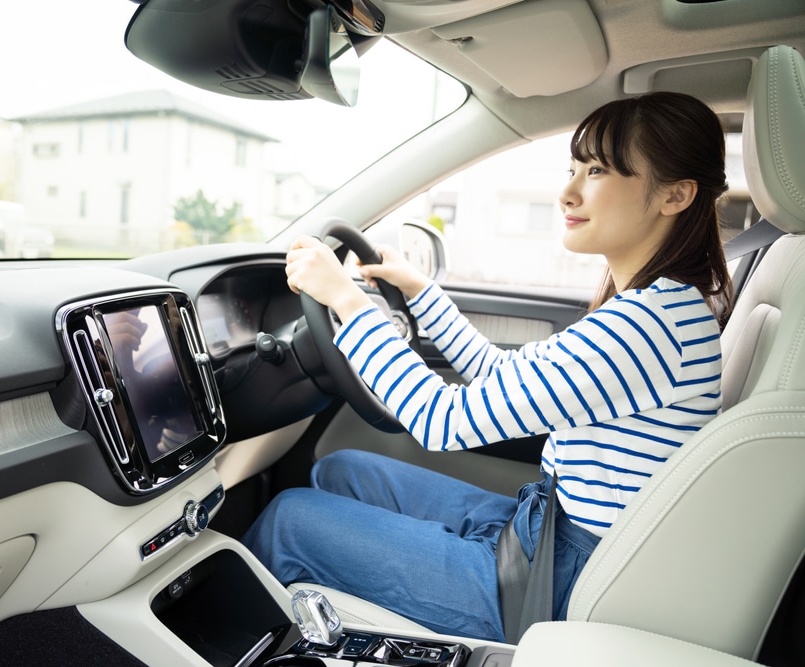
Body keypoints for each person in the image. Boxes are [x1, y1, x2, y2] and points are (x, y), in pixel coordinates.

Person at [242, 91, 732, 642]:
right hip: (545, 529)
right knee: (343, 470)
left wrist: (348, 303)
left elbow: (441, 421)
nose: (568, 191)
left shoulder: (645, 327)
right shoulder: (658, 308)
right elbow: (500, 373)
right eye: (573, 168)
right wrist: (419, 290)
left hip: (551, 581)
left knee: (288, 521)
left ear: (676, 195)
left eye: (597, 170)